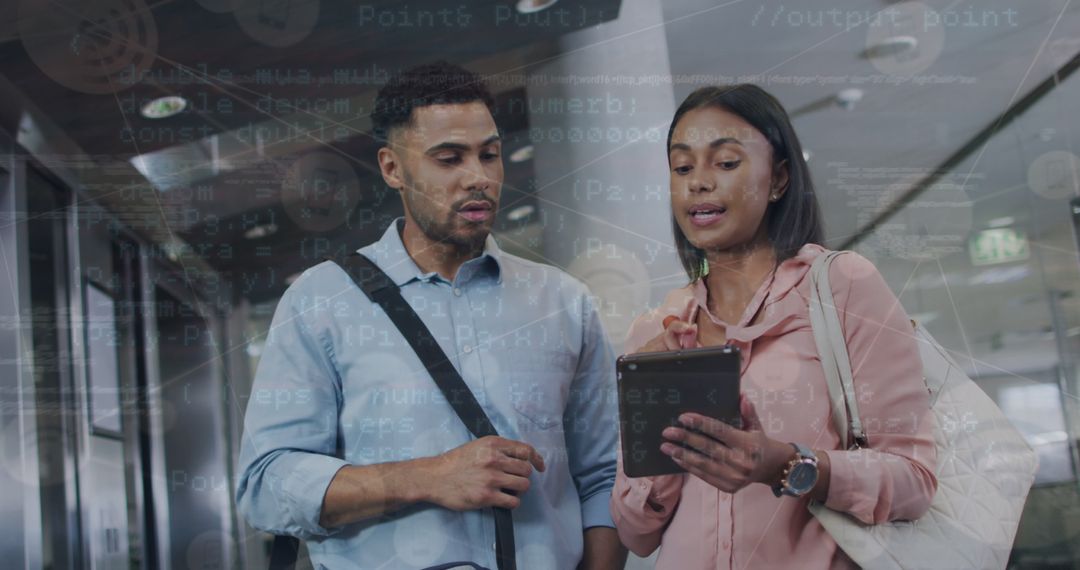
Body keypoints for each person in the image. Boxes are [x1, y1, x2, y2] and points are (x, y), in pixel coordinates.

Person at [236, 61, 626, 570]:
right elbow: (265, 485)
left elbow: (605, 476)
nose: (478, 177)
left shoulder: (564, 303)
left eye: (490, 155)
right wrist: (429, 477)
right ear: (392, 168)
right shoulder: (320, 301)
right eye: (449, 159)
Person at [610, 85, 938, 568]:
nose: (698, 182)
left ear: (779, 178)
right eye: (682, 168)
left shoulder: (843, 286)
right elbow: (635, 533)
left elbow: (914, 481)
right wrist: (659, 417)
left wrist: (787, 465)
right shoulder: (657, 330)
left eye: (725, 162)